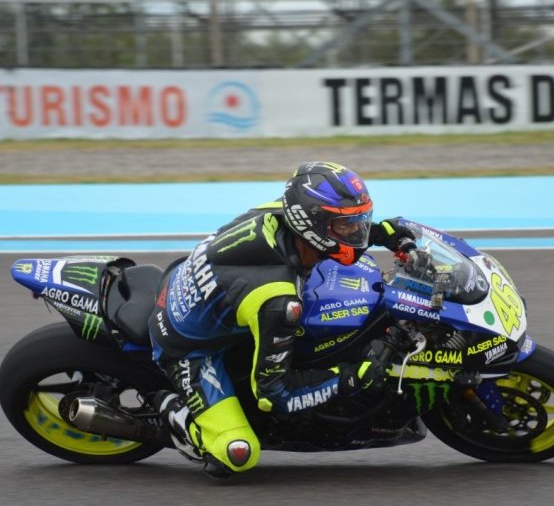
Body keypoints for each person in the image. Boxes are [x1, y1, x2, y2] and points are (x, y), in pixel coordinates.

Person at [147, 161, 414, 477]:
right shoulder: (278, 300)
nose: (356, 231)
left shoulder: (284, 211)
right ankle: (169, 410)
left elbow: (329, 233)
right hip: (188, 349)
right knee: (237, 454)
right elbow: (274, 394)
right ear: (310, 223)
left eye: (361, 221)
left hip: (201, 285)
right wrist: (351, 377)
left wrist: (380, 232)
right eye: (346, 226)